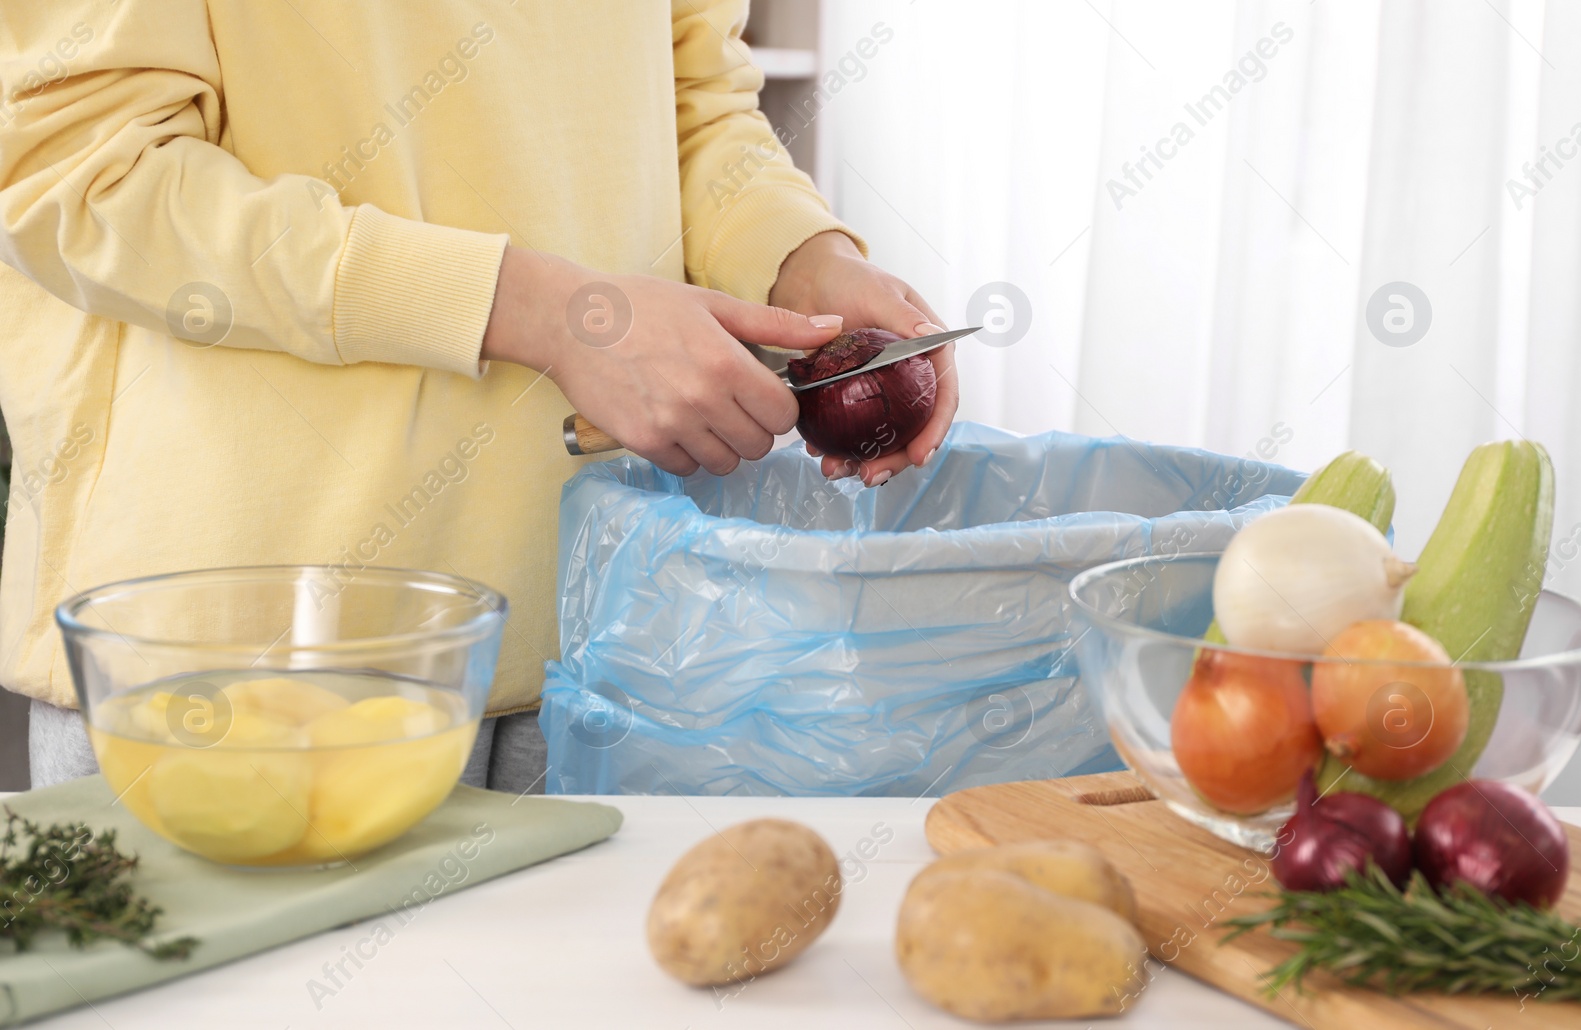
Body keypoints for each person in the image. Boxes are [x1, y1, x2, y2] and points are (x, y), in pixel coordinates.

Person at [0, 1, 955, 791]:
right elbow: (87, 180)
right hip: (237, 650)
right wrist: (543, 312)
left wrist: (797, 255)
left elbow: (692, 102)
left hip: (598, 620)